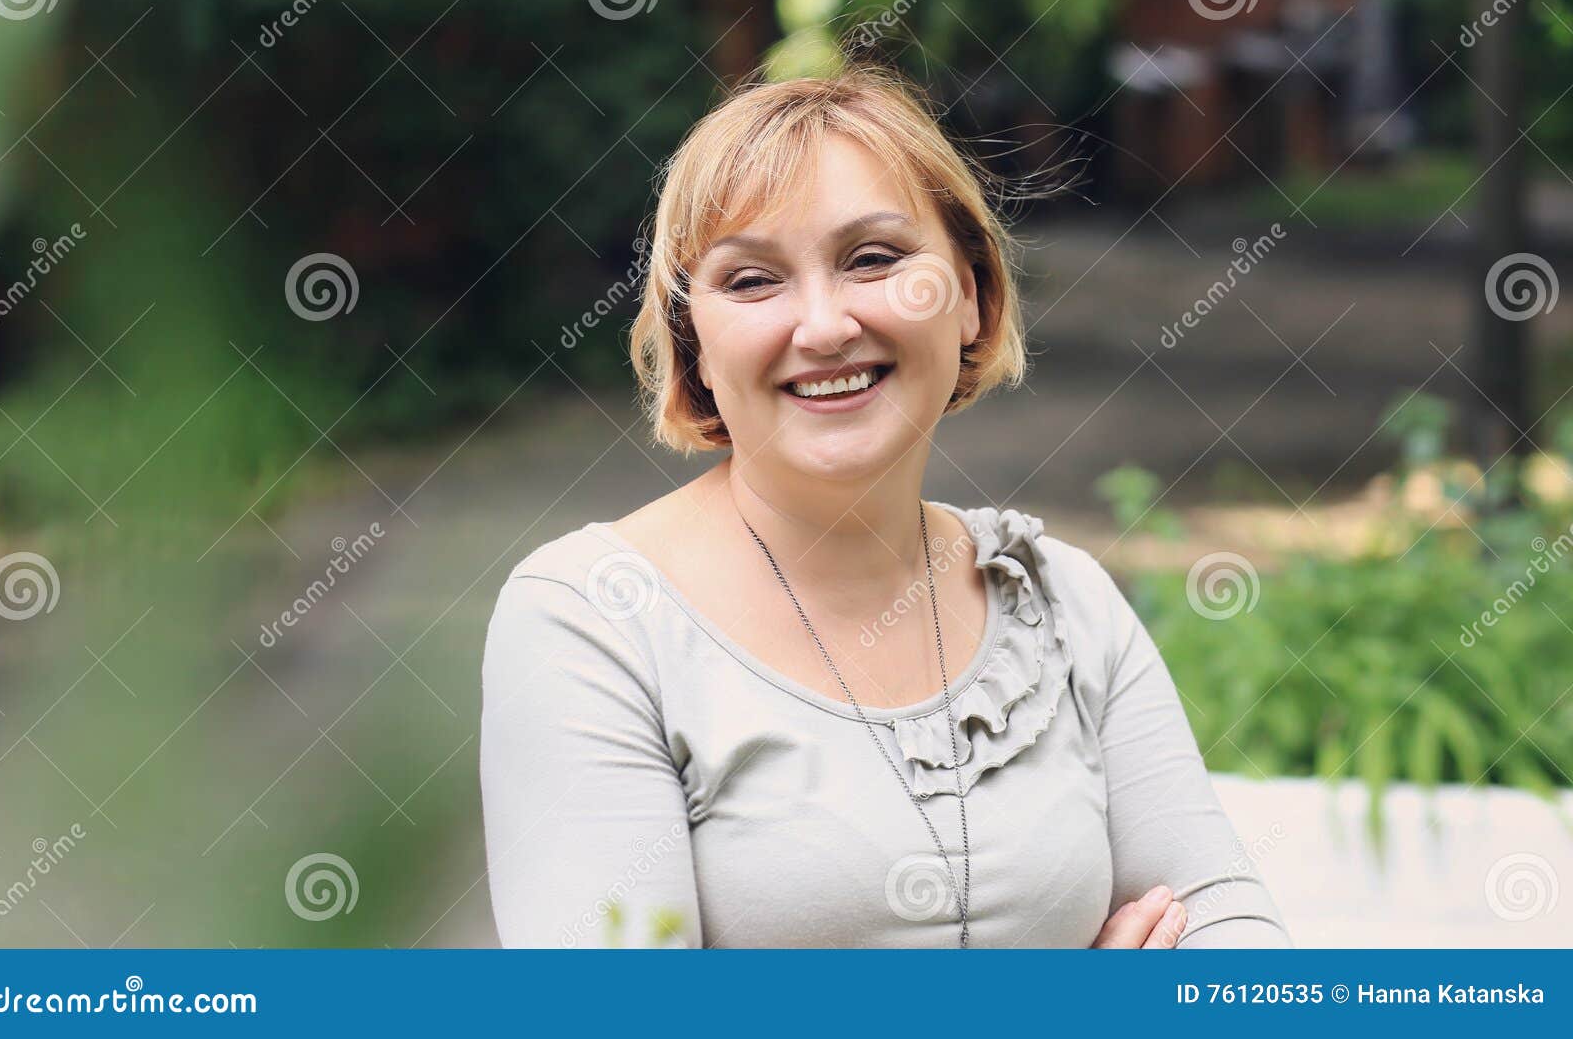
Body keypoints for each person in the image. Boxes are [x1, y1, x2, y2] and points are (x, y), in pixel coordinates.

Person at [479, 62, 1292, 949]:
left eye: (873, 259)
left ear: (971, 298)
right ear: (696, 347)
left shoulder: (1063, 601)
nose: (823, 326)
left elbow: (1233, 938)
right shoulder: (591, 623)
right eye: (751, 281)